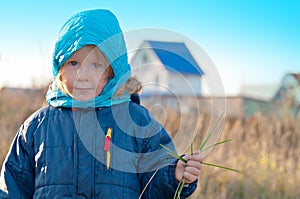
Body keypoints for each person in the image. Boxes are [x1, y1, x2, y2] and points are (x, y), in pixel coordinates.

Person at [0, 9, 203, 198]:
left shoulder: (136, 121)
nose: (83, 76)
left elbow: (154, 187)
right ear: (59, 67)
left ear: (112, 72)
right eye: (73, 63)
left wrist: (173, 176)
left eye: (95, 65)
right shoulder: (37, 126)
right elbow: (12, 187)